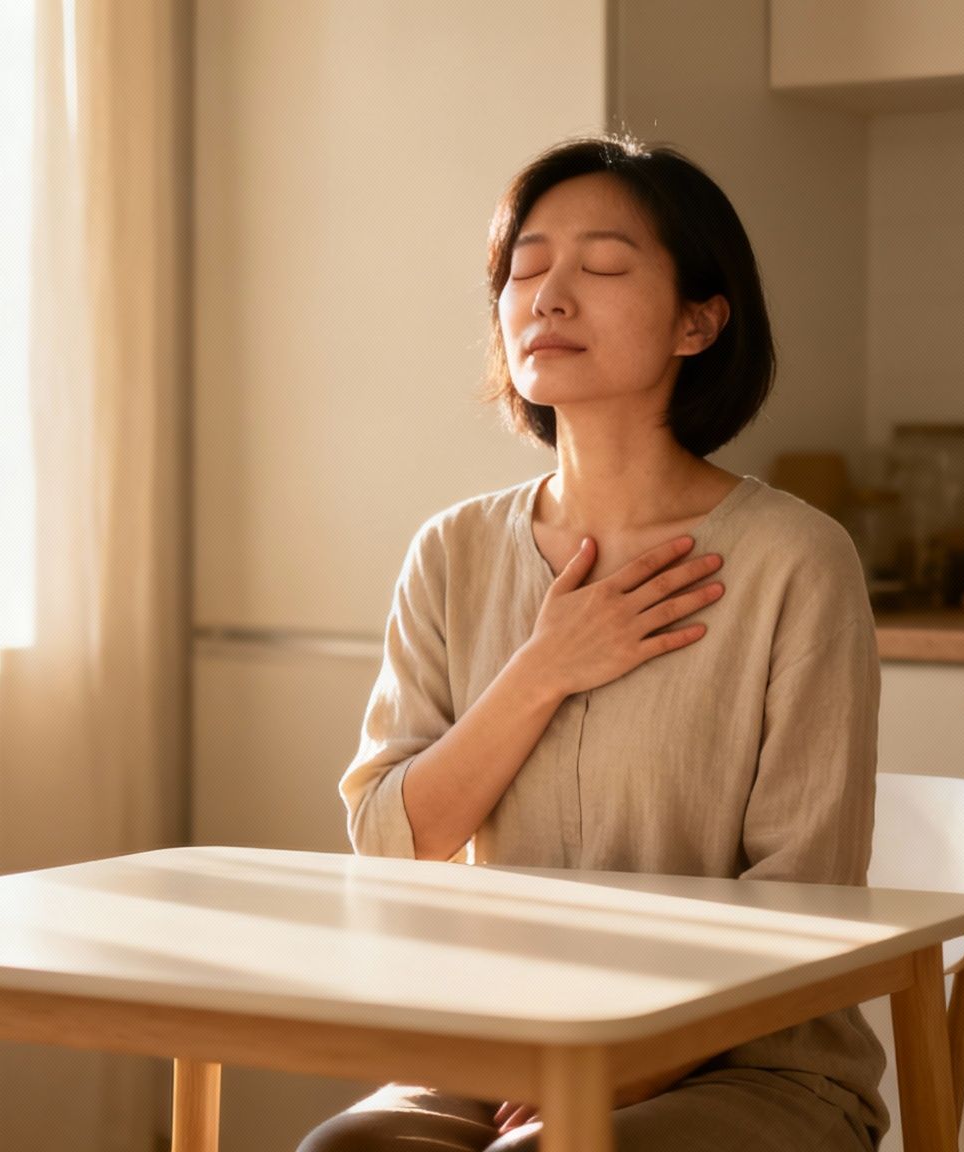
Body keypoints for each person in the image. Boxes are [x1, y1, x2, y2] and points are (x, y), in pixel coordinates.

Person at [298, 134, 887, 1152]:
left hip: (751, 1065)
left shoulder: (796, 559)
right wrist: (543, 669)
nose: (548, 296)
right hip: (496, 1051)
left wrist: (627, 1059)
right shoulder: (452, 552)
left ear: (697, 321)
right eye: (524, 269)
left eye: (603, 266)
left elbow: (799, 899)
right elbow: (392, 842)